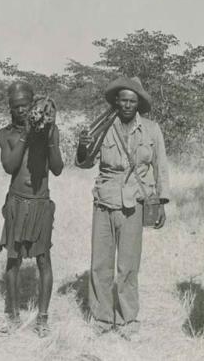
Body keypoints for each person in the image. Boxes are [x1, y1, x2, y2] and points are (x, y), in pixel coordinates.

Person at [75, 76, 170, 340]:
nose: (127, 105)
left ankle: (128, 320)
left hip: (135, 202)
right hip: (104, 201)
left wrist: (162, 202)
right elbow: (83, 163)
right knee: (100, 263)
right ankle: (103, 318)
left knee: (128, 265)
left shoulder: (151, 129)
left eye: (132, 101)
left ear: (138, 104)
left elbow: (160, 167)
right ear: (116, 102)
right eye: (123, 100)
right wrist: (82, 147)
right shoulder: (102, 126)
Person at [0, 81, 63, 338]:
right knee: (13, 260)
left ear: (34, 104)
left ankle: (43, 318)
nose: (22, 110)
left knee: (43, 260)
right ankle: (13, 316)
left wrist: (48, 138)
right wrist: (25, 134)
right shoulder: (6, 134)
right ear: (10, 108)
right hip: (16, 202)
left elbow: (57, 168)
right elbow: (9, 166)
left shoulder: (49, 131)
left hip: (40, 202)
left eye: (26, 105)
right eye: (16, 107)